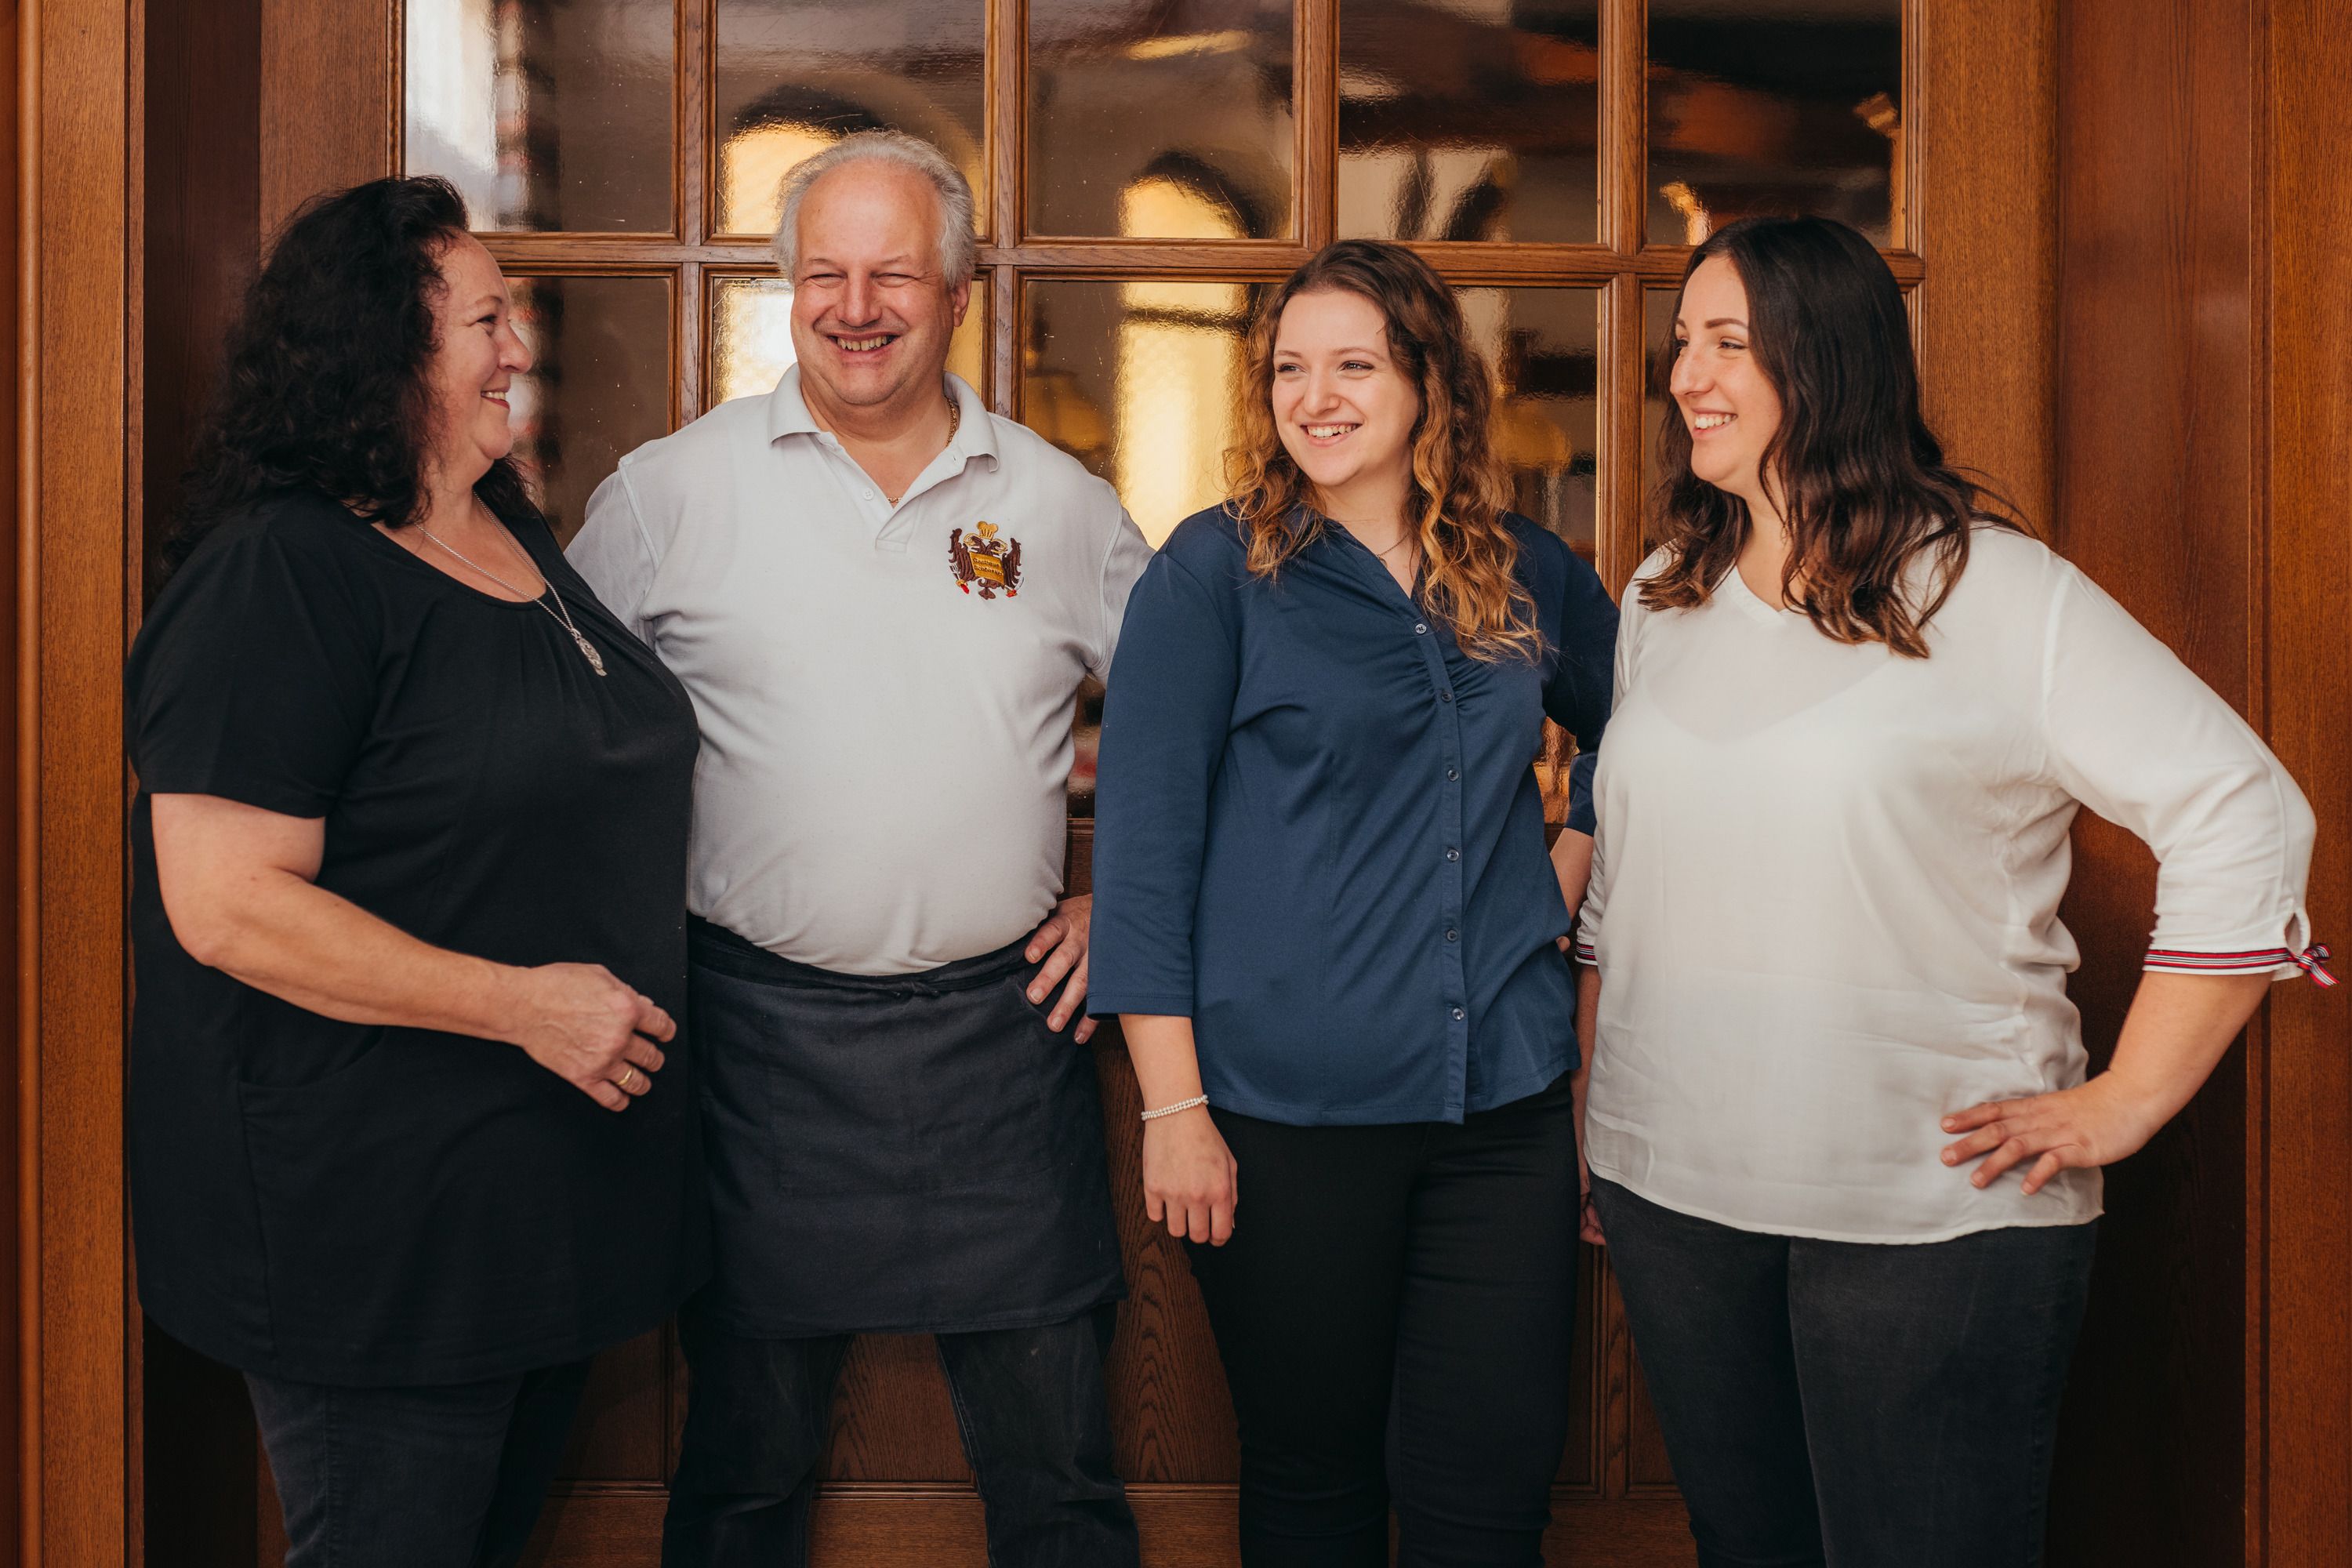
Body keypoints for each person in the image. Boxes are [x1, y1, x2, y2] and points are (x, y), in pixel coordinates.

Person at [1574, 215, 2328, 1567]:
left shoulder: (1991, 589)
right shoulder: (1660, 595)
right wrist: (1597, 1109)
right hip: (1671, 1191)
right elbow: (1634, 874)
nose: (1687, 372)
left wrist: (2129, 1100)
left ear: (1832, 360)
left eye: (1730, 342)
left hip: (1926, 1217)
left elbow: (2243, 808)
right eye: (1682, 340)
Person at [567, 130, 1151, 1568]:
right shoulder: (667, 493)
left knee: (1060, 1480)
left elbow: (1195, 728)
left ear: (958, 291)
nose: (855, 303)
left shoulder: (1062, 505)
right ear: (784, 288)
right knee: (744, 1476)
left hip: (1003, 1042)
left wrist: (1119, 892)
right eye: (822, 271)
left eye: (893, 270)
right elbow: (549, 738)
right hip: (757, 1038)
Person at [125, 176, 705, 1568]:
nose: (522, 345)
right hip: (369, 1222)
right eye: (491, 319)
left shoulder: (507, 530)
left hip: (526, 1200)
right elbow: (226, 905)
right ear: (383, 348)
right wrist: (524, 1005)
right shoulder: (282, 572)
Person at [1089, 239, 1618, 1566]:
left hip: (1500, 1106)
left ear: (1430, 383)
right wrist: (1174, 1111)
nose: (1315, 397)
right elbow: (1145, 854)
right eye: (1289, 370)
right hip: (1283, 1121)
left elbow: (1651, 734)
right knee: (1314, 1488)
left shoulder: (1528, 569)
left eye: (1354, 366)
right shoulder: (1214, 573)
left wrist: (1577, 856)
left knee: (1490, 1500)